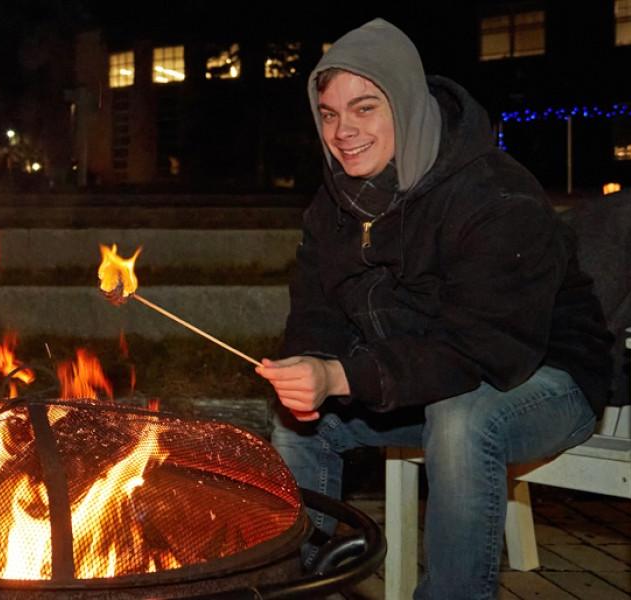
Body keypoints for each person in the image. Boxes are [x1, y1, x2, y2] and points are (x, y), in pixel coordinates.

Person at [257, 19, 611, 599]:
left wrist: (344, 375)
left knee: (463, 418)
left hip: (545, 377)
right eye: (329, 113)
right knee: (298, 420)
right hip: (426, 376)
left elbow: (482, 348)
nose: (343, 130)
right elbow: (317, 310)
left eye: (365, 108)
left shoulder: (493, 195)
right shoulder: (334, 203)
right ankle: (303, 584)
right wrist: (310, 367)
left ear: (405, 103)